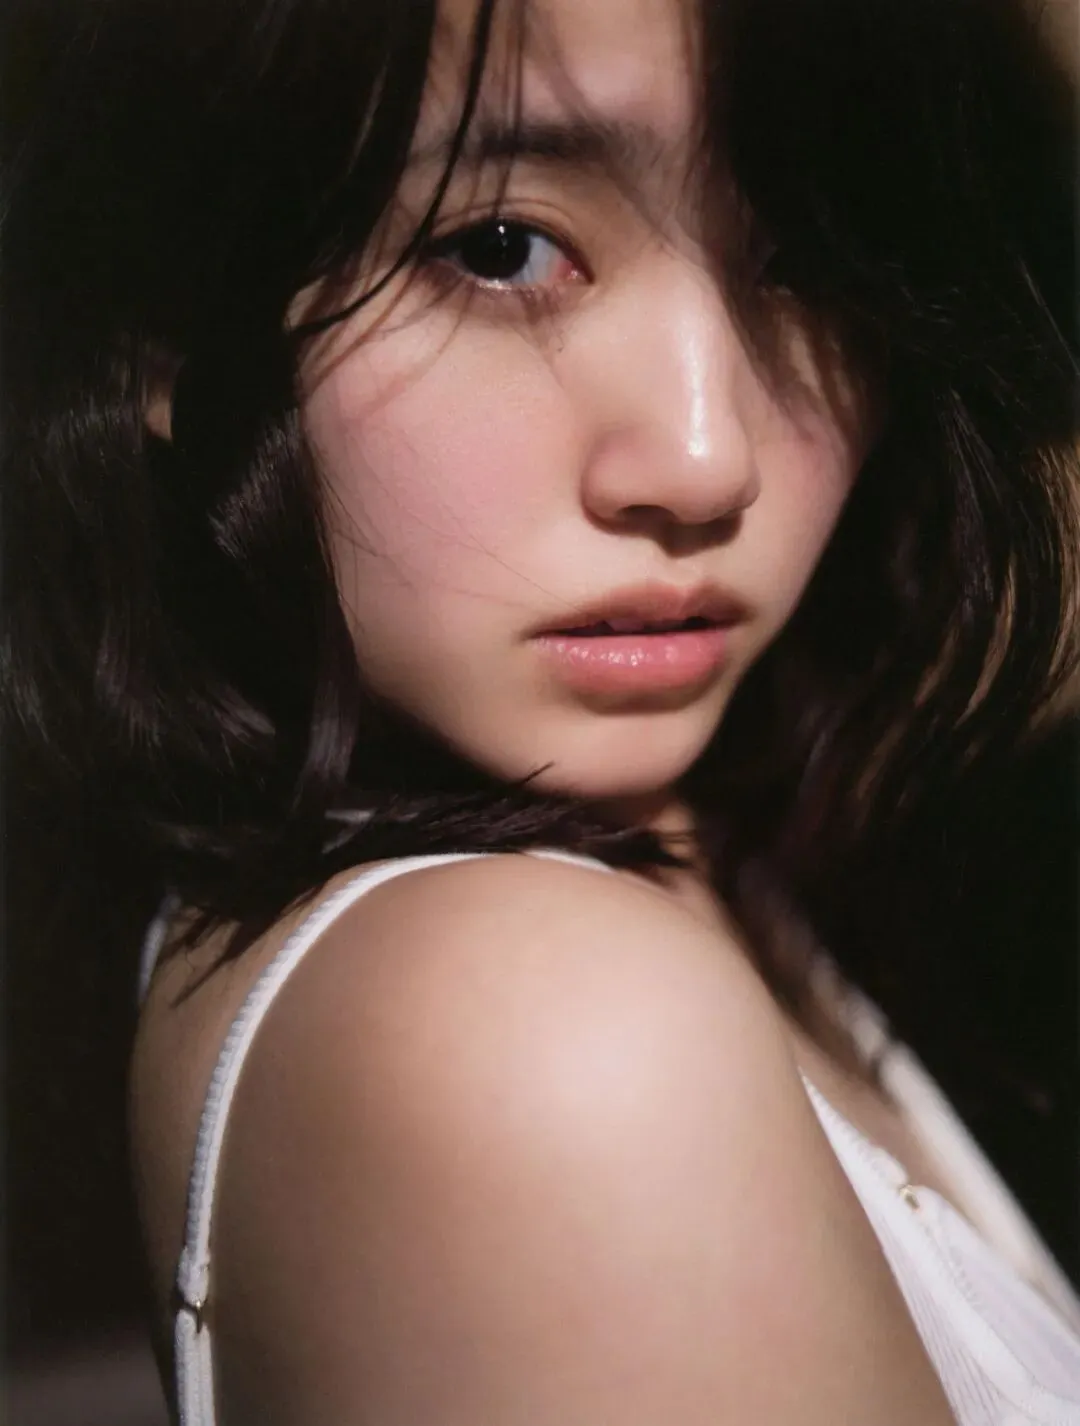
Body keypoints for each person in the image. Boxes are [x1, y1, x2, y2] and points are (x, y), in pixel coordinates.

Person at [3, 0, 1079, 1420]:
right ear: (171, 307)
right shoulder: (532, 1027)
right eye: (501, 246)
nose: (704, 462)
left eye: (812, 255)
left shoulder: (680, 845)